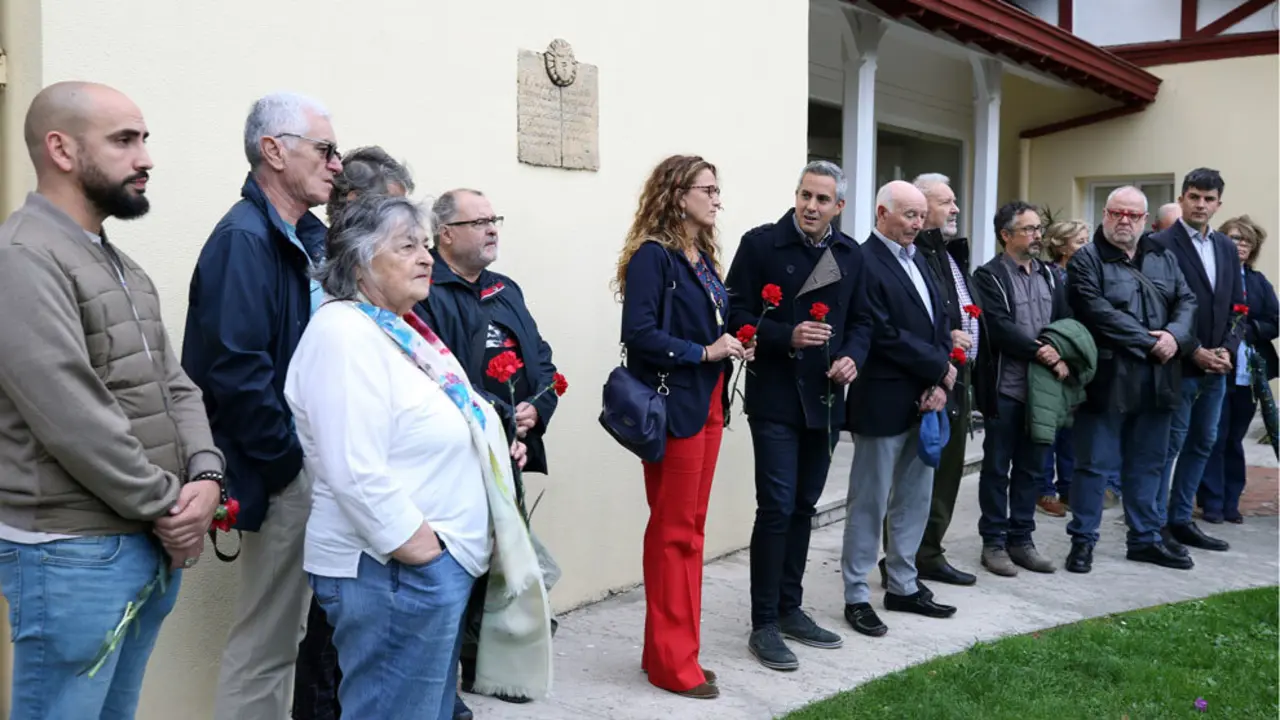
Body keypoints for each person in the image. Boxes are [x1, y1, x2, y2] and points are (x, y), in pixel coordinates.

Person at [0, 81, 224, 718]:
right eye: (125, 140)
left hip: (143, 541)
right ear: (61, 150)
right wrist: (171, 509)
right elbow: (71, 413)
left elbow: (174, 384)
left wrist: (207, 479)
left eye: (144, 138)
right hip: (73, 552)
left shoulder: (120, 264)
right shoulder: (23, 257)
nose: (146, 156)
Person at [284, 194, 551, 720]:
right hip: (392, 572)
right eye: (407, 247)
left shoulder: (395, 327)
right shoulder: (343, 335)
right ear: (361, 261)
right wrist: (420, 549)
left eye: (426, 245)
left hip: (420, 571)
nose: (427, 258)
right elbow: (352, 466)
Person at [182, 91, 341, 720]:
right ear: (273, 151)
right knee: (267, 644)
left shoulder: (304, 237)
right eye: (325, 149)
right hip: (283, 468)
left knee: (286, 639)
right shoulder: (244, 240)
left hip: (304, 466)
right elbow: (235, 369)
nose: (336, 163)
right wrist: (286, 466)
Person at [414, 188, 561, 716]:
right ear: (445, 234)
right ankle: (442, 694)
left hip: (511, 447)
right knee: (455, 575)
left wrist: (535, 413)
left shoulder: (505, 289)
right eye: (478, 222)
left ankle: (487, 668)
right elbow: (438, 374)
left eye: (494, 219)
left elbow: (541, 359)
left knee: (501, 565)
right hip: (461, 454)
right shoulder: (427, 291)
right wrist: (499, 420)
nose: (492, 228)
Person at [724, 161, 867, 672]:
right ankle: (763, 622)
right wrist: (786, 334)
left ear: (839, 207)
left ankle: (790, 608)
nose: (811, 206)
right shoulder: (761, 244)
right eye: (805, 195)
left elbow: (864, 321)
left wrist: (854, 356)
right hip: (777, 397)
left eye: (822, 199)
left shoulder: (851, 256)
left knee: (805, 505)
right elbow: (734, 313)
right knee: (778, 506)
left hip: (826, 399)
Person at [615, 154, 747, 700]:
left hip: (709, 403)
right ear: (677, 194)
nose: (717, 198)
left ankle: (670, 651)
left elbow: (712, 324)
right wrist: (704, 350)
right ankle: (674, 664)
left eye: (718, 190)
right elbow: (638, 332)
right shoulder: (655, 257)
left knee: (689, 532)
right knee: (673, 534)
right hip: (677, 409)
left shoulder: (701, 257)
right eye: (708, 189)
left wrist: (734, 339)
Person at [292, 145, 415, 720]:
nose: (408, 237)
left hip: (378, 496)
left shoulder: (385, 295)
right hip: (340, 496)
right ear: (350, 210)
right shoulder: (333, 298)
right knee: (330, 638)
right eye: (392, 218)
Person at [841, 181, 957, 639]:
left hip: (925, 399)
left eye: (920, 215)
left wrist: (937, 381)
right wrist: (938, 367)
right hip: (882, 399)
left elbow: (940, 321)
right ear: (882, 212)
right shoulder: (864, 260)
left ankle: (903, 585)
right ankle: (855, 594)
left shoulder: (922, 258)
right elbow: (881, 333)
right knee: (869, 503)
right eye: (908, 214)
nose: (916, 223)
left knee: (914, 498)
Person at [1064, 186, 1197, 573]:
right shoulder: (1086, 260)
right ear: (1104, 214)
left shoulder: (1163, 256)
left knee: (1149, 464)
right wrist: (1148, 342)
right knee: (1093, 466)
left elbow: (1187, 302)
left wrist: (1174, 337)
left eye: (1133, 215)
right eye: (1117, 212)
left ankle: (1144, 539)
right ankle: (1082, 542)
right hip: (1107, 379)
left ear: (1144, 219)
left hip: (1160, 379)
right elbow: (1095, 311)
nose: (1124, 221)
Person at [971, 202, 1069, 577]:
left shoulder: (1049, 274)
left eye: (1038, 229)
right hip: (1006, 389)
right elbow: (998, 327)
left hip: (1042, 392)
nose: (1037, 236)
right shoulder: (988, 277)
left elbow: (1063, 321)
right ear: (1005, 235)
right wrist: (1044, 353)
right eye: (1027, 230)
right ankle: (993, 543)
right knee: (997, 468)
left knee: (1032, 468)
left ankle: (1022, 540)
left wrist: (1060, 350)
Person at [1151, 168, 1242, 555]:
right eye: (1194, 197)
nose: (1201, 204)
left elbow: (1239, 305)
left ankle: (1181, 519)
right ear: (1182, 198)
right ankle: (1154, 527)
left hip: (1216, 368)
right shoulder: (1158, 244)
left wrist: (1228, 350)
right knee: (1169, 446)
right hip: (1178, 367)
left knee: (1203, 443)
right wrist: (1195, 350)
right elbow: (1156, 310)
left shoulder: (1224, 246)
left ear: (1219, 203)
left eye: (1209, 199)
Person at [898, 172, 980, 589]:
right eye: (946, 201)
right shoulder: (914, 254)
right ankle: (904, 559)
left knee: (948, 471)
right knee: (917, 475)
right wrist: (945, 340)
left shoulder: (947, 253)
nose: (955, 209)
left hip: (957, 378)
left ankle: (929, 552)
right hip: (929, 378)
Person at [1199, 216, 1278, 523]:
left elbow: (1275, 320)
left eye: (1246, 241)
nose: (1241, 245)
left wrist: (1248, 328)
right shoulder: (1213, 278)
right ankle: (1212, 501)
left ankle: (1231, 500)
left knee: (1234, 438)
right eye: (1234, 238)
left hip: (1248, 374)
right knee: (1213, 437)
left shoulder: (1258, 282)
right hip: (1216, 369)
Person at [1036, 219, 1090, 516]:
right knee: (1050, 427)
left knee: (1071, 428)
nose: (1086, 246)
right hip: (1053, 356)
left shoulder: (1084, 275)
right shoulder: (1050, 276)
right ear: (1061, 246)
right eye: (1080, 241)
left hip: (1079, 359)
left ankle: (1068, 486)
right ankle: (1044, 489)